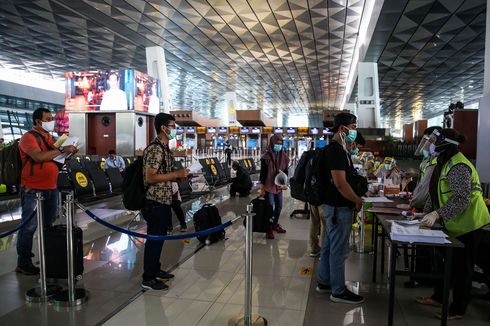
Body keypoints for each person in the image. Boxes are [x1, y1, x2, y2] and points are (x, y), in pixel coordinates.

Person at [416, 129, 490, 320]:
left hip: (470, 224)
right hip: (453, 224)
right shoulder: (444, 162)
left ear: (444, 143)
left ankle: (458, 308)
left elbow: (461, 198)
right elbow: (436, 191)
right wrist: (424, 213)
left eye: (433, 141)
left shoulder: (458, 166)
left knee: (463, 268)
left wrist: (437, 214)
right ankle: (438, 298)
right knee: (446, 264)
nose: (429, 144)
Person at [16, 108, 78, 275]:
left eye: (52, 118)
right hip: (32, 188)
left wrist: (68, 155)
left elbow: (56, 162)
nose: (51, 121)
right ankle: (23, 262)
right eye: (48, 118)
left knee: (48, 226)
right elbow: (38, 157)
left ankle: (47, 257)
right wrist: (62, 150)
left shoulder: (51, 138)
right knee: (29, 226)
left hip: (51, 187)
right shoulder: (28, 137)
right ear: (38, 121)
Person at [315, 112, 364, 304]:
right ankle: (338, 290)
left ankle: (325, 282)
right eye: (353, 127)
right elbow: (340, 184)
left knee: (328, 246)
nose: (354, 131)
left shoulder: (339, 149)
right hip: (338, 208)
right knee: (338, 250)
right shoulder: (336, 151)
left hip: (333, 207)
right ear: (342, 129)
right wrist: (357, 200)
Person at [141, 113, 189, 290]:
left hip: (163, 200)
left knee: (159, 238)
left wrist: (177, 178)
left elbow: (163, 175)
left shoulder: (165, 148)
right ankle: (148, 278)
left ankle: (155, 269)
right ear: (163, 127)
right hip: (154, 201)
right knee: (154, 240)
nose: (174, 129)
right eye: (172, 125)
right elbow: (150, 177)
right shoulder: (155, 149)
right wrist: (175, 174)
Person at [259, 135, 290, 239]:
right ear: (272, 143)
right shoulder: (266, 157)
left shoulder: (284, 156)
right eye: (277, 143)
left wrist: (284, 183)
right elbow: (262, 174)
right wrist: (262, 188)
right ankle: (268, 228)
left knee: (279, 206)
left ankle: (274, 224)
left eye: (281, 144)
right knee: (269, 207)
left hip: (279, 186)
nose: (279, 145)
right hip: (269, 186)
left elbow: (286, 171)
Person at [410, 126, 442, 210]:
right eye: (425, 140)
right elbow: (417, 153)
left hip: (427, 205)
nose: (425, 144)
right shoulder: (427, 159)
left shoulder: (436, 162)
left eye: (429, 140)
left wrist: (414, 203)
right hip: (422, 202)